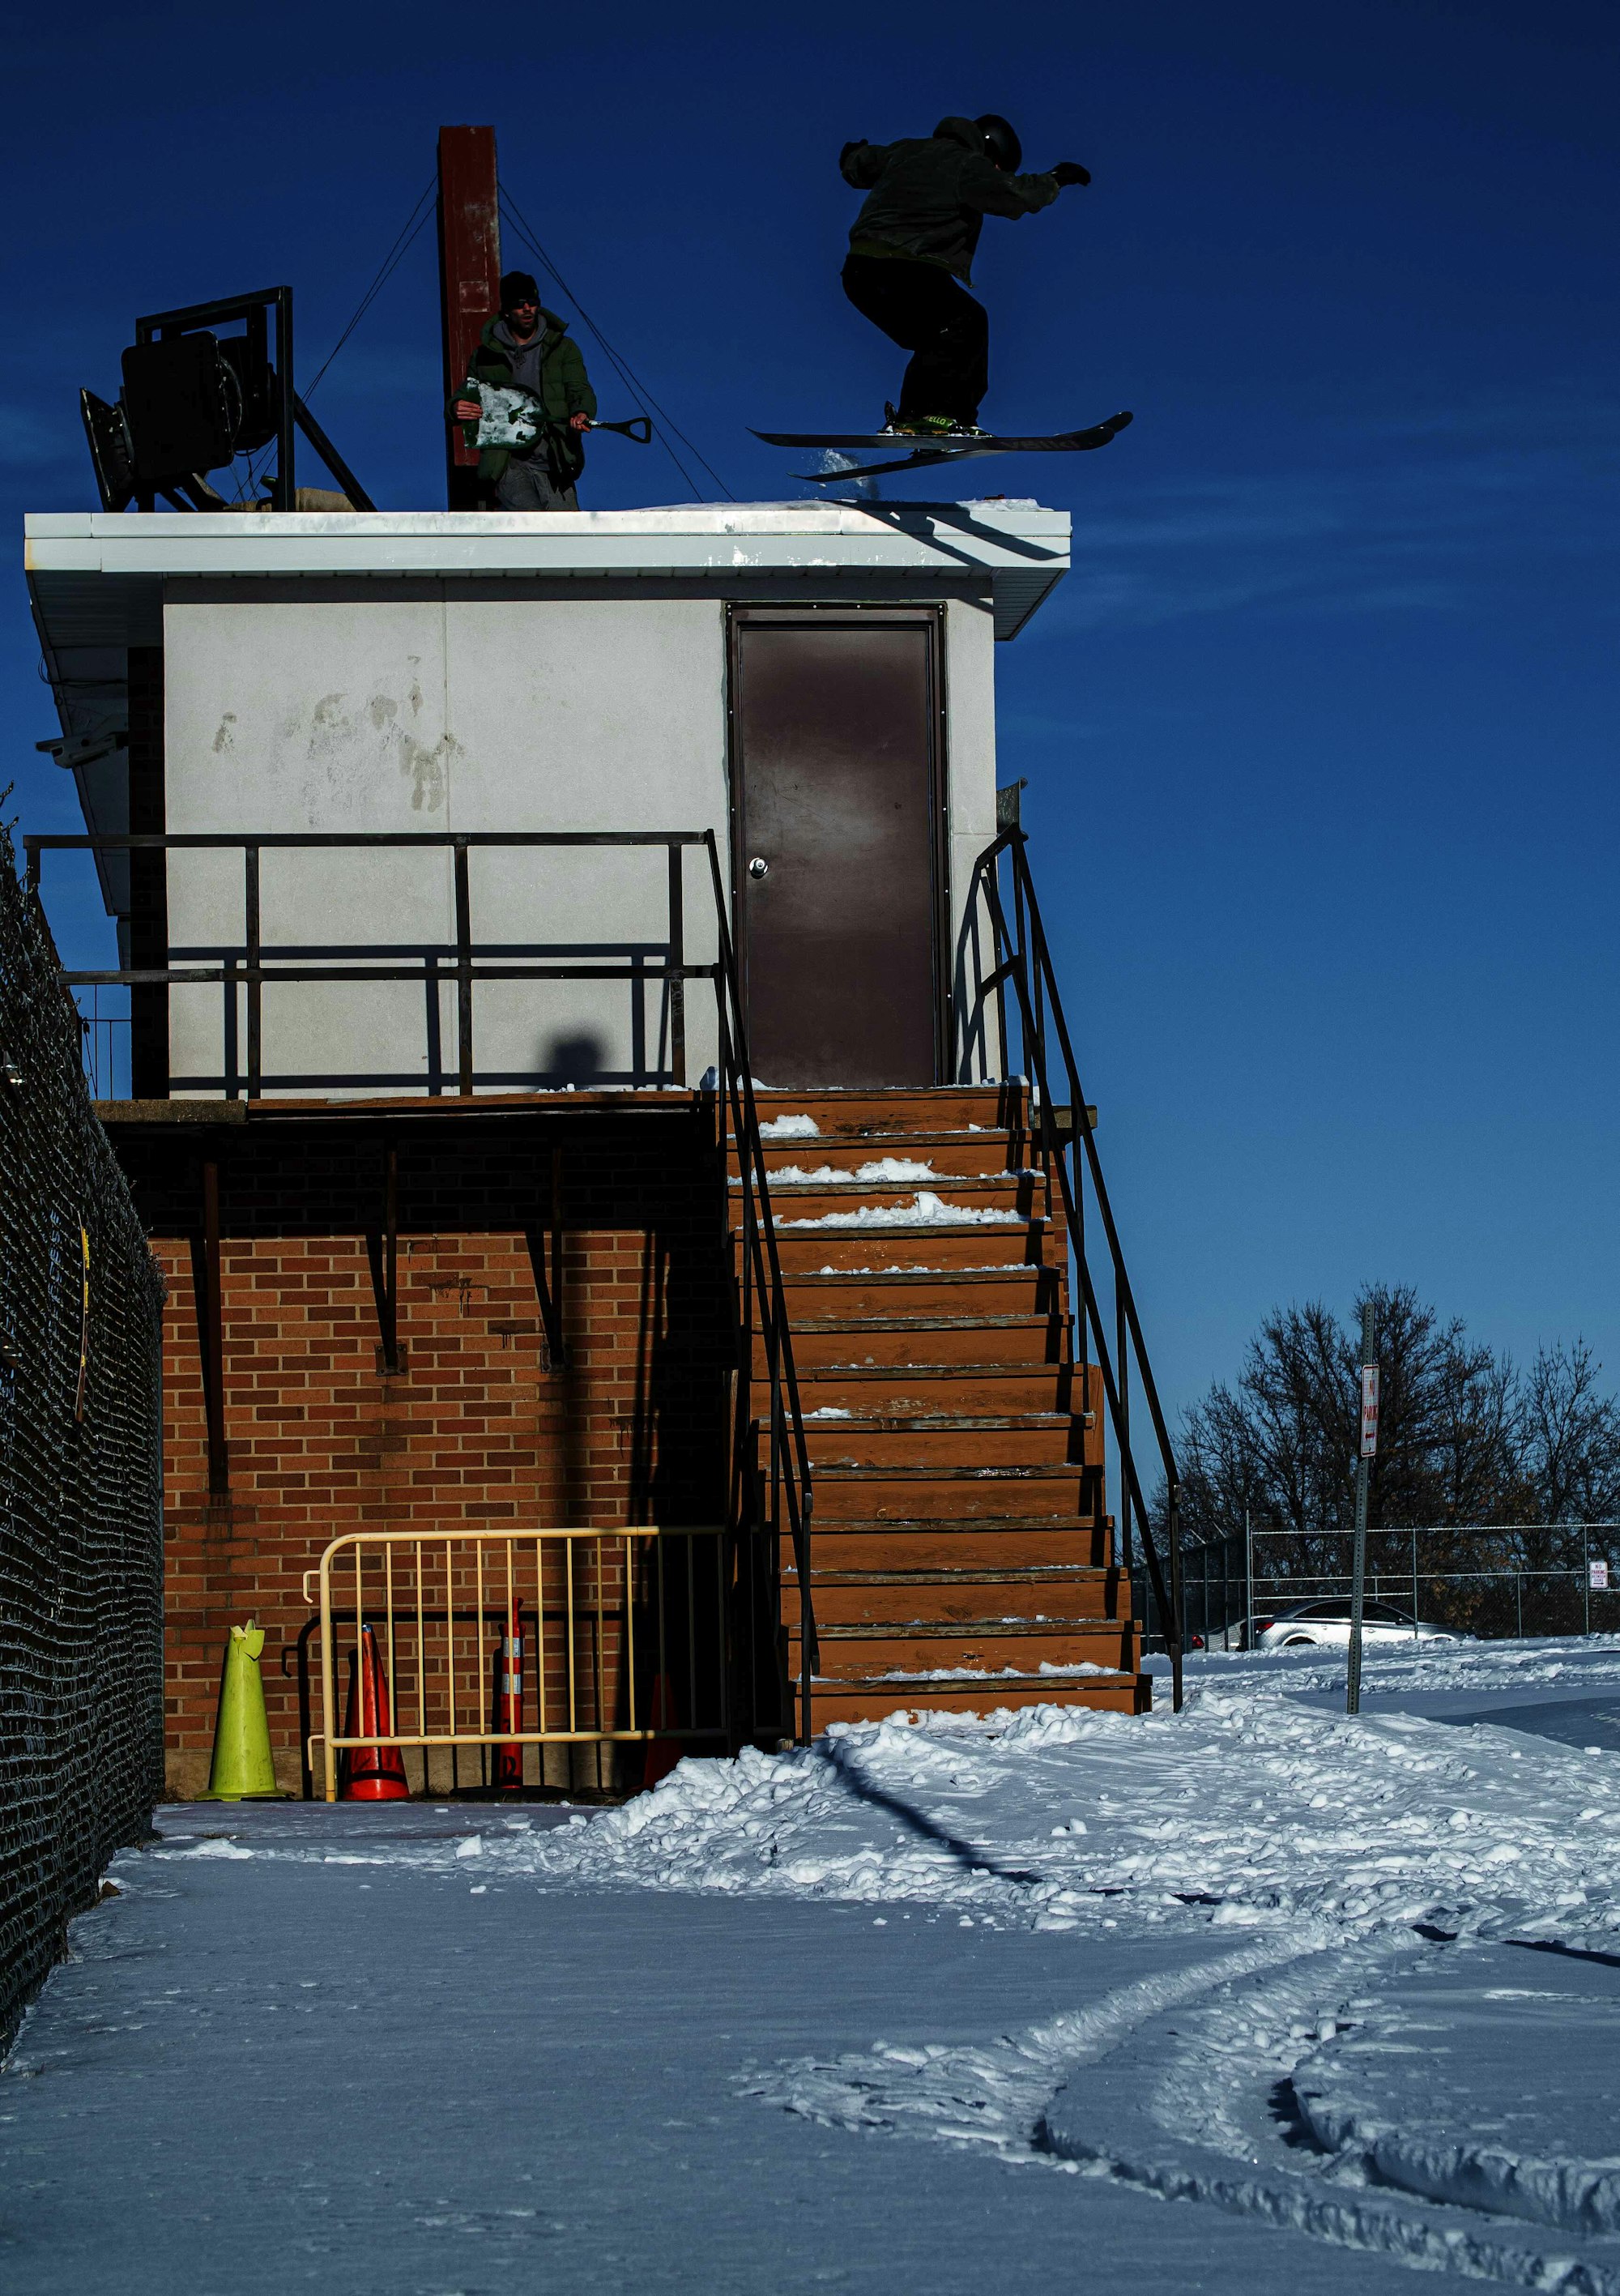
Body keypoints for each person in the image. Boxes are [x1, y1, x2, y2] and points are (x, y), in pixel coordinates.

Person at [838, 115, 1091, 436]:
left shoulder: (905, 150)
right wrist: (1056, 178)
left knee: (944, 335)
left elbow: (859, 165)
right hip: (903, 268)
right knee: (965, 324)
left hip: (860, 273)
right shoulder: (967, 163)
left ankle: (919, 418)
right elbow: (1015, 194)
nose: (996, 173)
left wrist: (852, 155)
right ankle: (934, 416)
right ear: (990, 151)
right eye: (999, 167)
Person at [451, 271, 598, 509]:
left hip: (554, 461)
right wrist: (456, 407)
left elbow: (579, 389)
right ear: (507, 311)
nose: (528, 308)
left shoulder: (563, 348)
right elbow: (467, 394)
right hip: (508, 461)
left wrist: (582, 412)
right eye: (520, 305)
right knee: (527, 526)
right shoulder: (486, 355)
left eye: (532, 302)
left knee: (566, 533)